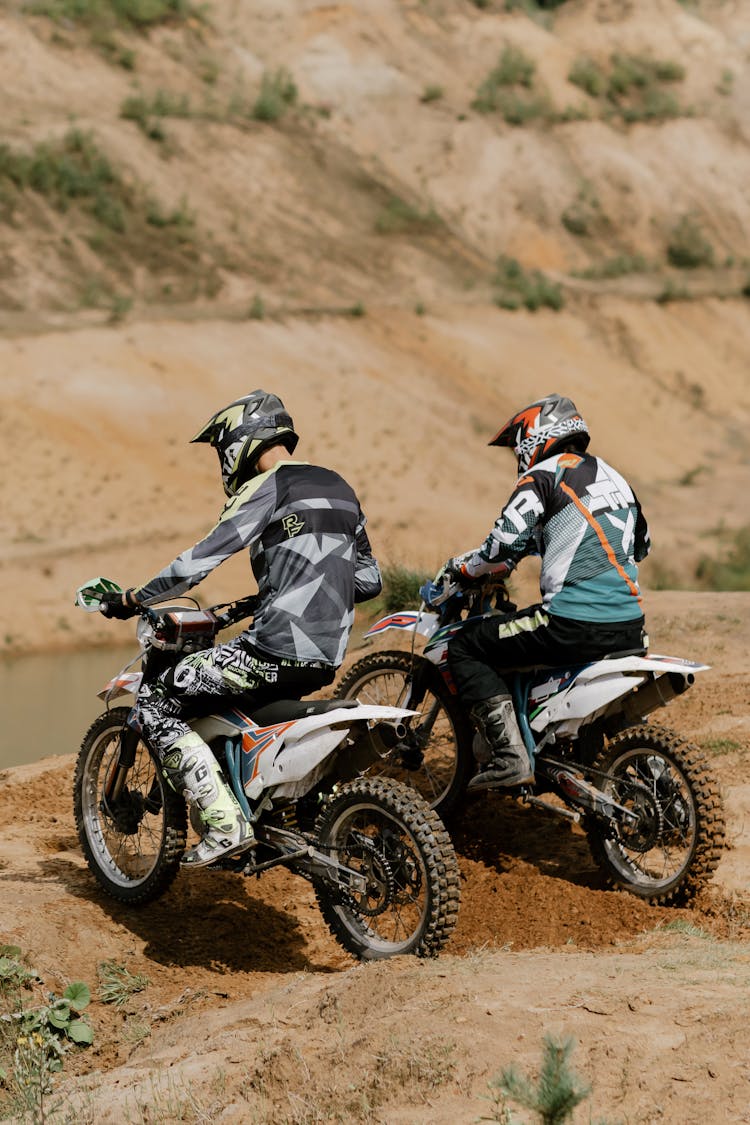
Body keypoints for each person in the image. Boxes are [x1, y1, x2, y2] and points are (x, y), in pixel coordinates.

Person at [98, 390, 382, 866]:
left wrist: (133, 598)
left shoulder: (268, 485)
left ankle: (224, 825)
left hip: (271, 650)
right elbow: (368, 580)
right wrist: (269, 596)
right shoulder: (340, 487)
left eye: (219, 448)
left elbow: (198, 562)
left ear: (239, 441)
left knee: (156, 701)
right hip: (326, 656)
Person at [442, 393, 650, 791]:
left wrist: (467, 569)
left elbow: (502, 544)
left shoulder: (543, 476)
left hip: (571, 624)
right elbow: (642, 544)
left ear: (532, 438)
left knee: (466, 646)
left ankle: (510, 757)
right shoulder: (614, 476)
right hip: (630, 625)